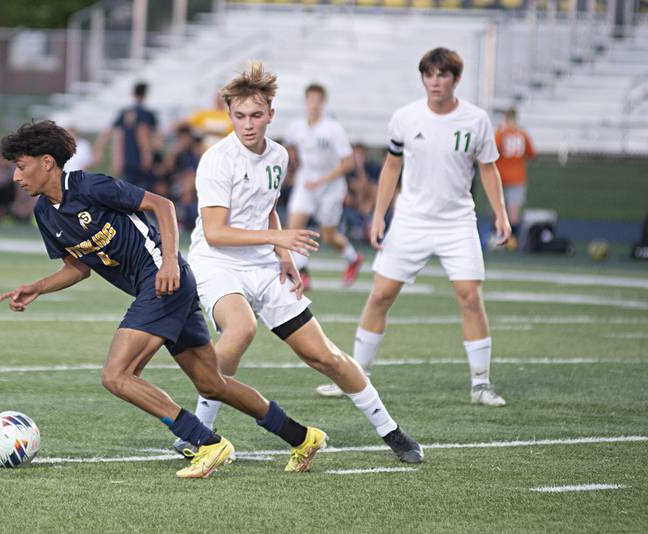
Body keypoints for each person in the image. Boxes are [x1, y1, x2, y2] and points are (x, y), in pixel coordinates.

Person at [0, 120, 326, 478]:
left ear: (47, 162)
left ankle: (207, 443)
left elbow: (163, 206)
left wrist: (169, 261)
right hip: (164, 288)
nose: (16, 177)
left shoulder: (90, 185)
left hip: (164, 279)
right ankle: (303, 437)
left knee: (117, 375)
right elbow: (78, 267)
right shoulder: (45, 213)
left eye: (21, 166)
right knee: (212, 384)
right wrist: (38, 287)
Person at [175, 63, 423, 464]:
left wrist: (285, 258)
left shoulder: (279, 155)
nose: (248, 124)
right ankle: (198, 431)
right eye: (239, 116)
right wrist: (278, 240)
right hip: (215, 260)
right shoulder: (217, 159)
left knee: (324, 355)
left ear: (271, 113)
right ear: (229, 116)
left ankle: (391, 431)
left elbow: (267, 209)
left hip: (263, 264)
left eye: (256, 115)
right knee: (240, 329)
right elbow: (217, 231)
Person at [315, 48, 510, 408]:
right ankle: (355, 377)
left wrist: (501, 213)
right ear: (422, 79)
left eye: (443, 75)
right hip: (410, 220)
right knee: (380, 295)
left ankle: (481, 385)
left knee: (470, 296)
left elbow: (488, 168)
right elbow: (391, 168)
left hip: (457, 220)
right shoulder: (405, 117)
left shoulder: (477, 120)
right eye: (429, 75)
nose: (435, 82)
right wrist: (378, 215)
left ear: (456, 79)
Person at [284, 83, 363, 290]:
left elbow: (348, 162)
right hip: (306, 183)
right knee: (294, 227)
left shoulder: (332, 129)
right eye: (310, 100)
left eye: (318, 101)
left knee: (328, 235)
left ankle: (352, 258)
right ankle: (303, 273)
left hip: (331, 186)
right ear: (305, 102)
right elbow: (290, 145)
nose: (314, 105)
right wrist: (294, 166)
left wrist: (322, 180)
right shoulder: (297, 127)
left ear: (323, 103)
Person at [94, 81, 158, 191]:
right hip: (140, 160)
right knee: (145, 193)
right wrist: (146, 154)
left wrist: (99, 149)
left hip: (127, 158)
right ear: (146, 95)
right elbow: (142, 132)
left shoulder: (125, 112)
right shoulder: (147, 113)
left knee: (128, 192)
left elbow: (110, 132)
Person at [495, 107, 536, 242]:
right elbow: (532, 154)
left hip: (500, 177)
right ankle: (513, 240)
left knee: (499, 210)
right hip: (518, 177)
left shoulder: (501, 133)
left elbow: (492, 151)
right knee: (514, 214)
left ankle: (499, 237)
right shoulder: (523, 134)